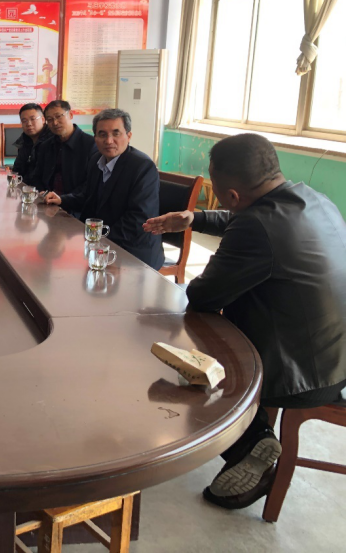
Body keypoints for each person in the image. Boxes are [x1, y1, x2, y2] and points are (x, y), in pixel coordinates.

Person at [144, 133, 346, 510]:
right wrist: (195, 218)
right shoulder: (314, 198)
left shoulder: (254, 226)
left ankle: (250, 440)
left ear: (233, 195)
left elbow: (204, 295)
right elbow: (249, 219)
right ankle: (255, 435)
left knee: (193, 346)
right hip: (336, 356)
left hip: (299, 374)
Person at [45, 108, 163, 269]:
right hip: (101, 245)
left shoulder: (142, 167)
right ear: (95, 138)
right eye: (102, 134)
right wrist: (62, 200)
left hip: (132, 252)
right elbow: (88, 195)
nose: (108, 140)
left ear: (128, 136)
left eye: (116, 133)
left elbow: (138, 219)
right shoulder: (97, 160)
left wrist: (98, 240)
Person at [30, 100, 97, 194]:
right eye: (50, 119)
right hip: (47, 199)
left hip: (76, 201)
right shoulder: (45, 146)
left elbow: (91, 183)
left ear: (70, 115)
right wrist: (42, 192)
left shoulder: (91, 144)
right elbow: (36, 176)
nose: (55, 123)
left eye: (58, 116)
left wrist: (63, 199)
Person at [8, 103, 53, 185]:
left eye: (33, 119)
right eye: (24, 121)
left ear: (43, 120)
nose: (29, 124)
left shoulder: (52, 140)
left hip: (45, 190)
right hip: (25, 187)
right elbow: (17, 169)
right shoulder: (24, 140)